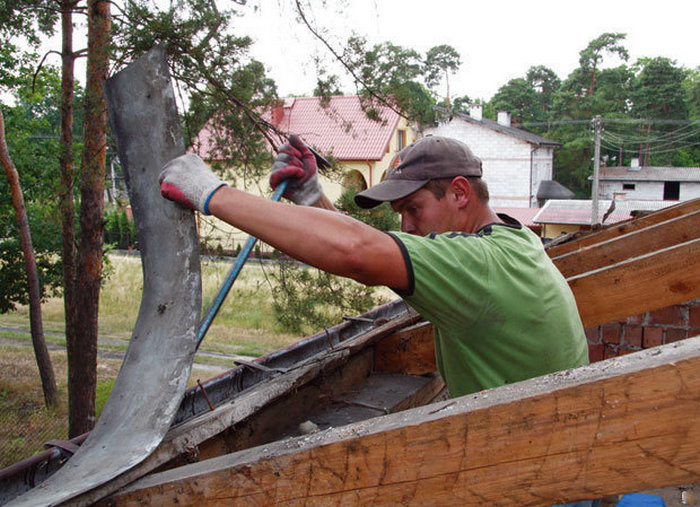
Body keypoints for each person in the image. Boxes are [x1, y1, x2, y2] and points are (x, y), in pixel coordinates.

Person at [159, 135, 589, 398]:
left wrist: (210, 192)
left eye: (414, 208)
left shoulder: (479, 263)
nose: (406, 225)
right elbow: (385, 254)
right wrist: (312, 198)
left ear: (460, 193)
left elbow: (361, 251)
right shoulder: (515, 241)